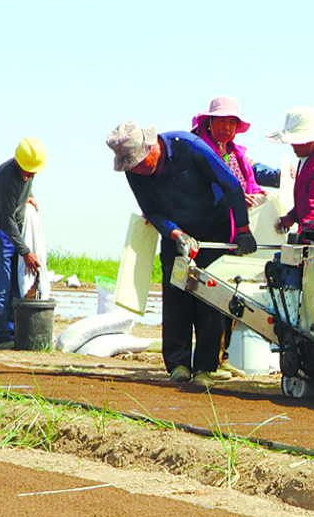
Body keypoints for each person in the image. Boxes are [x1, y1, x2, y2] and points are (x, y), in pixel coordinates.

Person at [107, 120, 256, 389]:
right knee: (176, 296)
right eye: (133, 166)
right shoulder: (134, 172)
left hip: (213, 230)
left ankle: (205, 368)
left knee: (209, 298)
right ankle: (178, 364)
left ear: (152, 147)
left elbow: (232, 185)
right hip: (177, 235)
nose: (139, 170)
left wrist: (243, 229)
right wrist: (176, 234)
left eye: (141, 162)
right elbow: (151, 210)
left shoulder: (190, 148)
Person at [191, 96, 281, 376]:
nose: (228, 128)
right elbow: (198, 187)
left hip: (233, 233)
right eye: (223, 122)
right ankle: (205, 360)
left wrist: (282, 177)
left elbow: (256, 172)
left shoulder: (235, 154)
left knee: (231, 290)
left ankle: (222, 356)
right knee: (207, 295)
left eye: (233, 123)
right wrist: (233, 196)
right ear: (209, 122)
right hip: (206, 232)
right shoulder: (199, 150)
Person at [0, 138, 46, 350]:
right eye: (26, 171)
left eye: (32, 172)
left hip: (14, 229)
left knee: (16, 285)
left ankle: (14, 332)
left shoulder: (29, 171)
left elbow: (24, 187)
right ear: (18, 161)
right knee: (1, 286)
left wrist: (30, 196)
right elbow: (7, 222)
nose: (29, 175)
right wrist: (26, 252)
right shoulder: (6, 178)